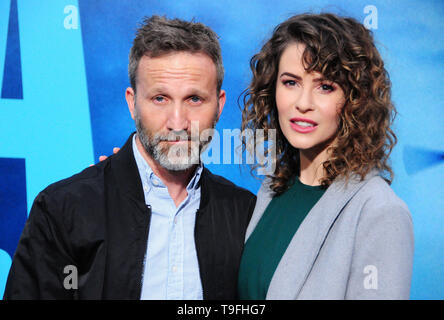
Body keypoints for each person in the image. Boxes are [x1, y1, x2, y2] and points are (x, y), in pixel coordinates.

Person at [4, 16, 256, 300]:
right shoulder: (63, 208)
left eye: (194, 99)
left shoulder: (245, 213)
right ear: (132, 103)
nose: (177, 122)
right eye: (160, 98)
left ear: (219, 105)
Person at [238, 13, 414, 299]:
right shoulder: (272, 190)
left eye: (325, 87)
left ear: (355, 99)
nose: (303, 103)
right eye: (291, 82)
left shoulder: (379, 212)